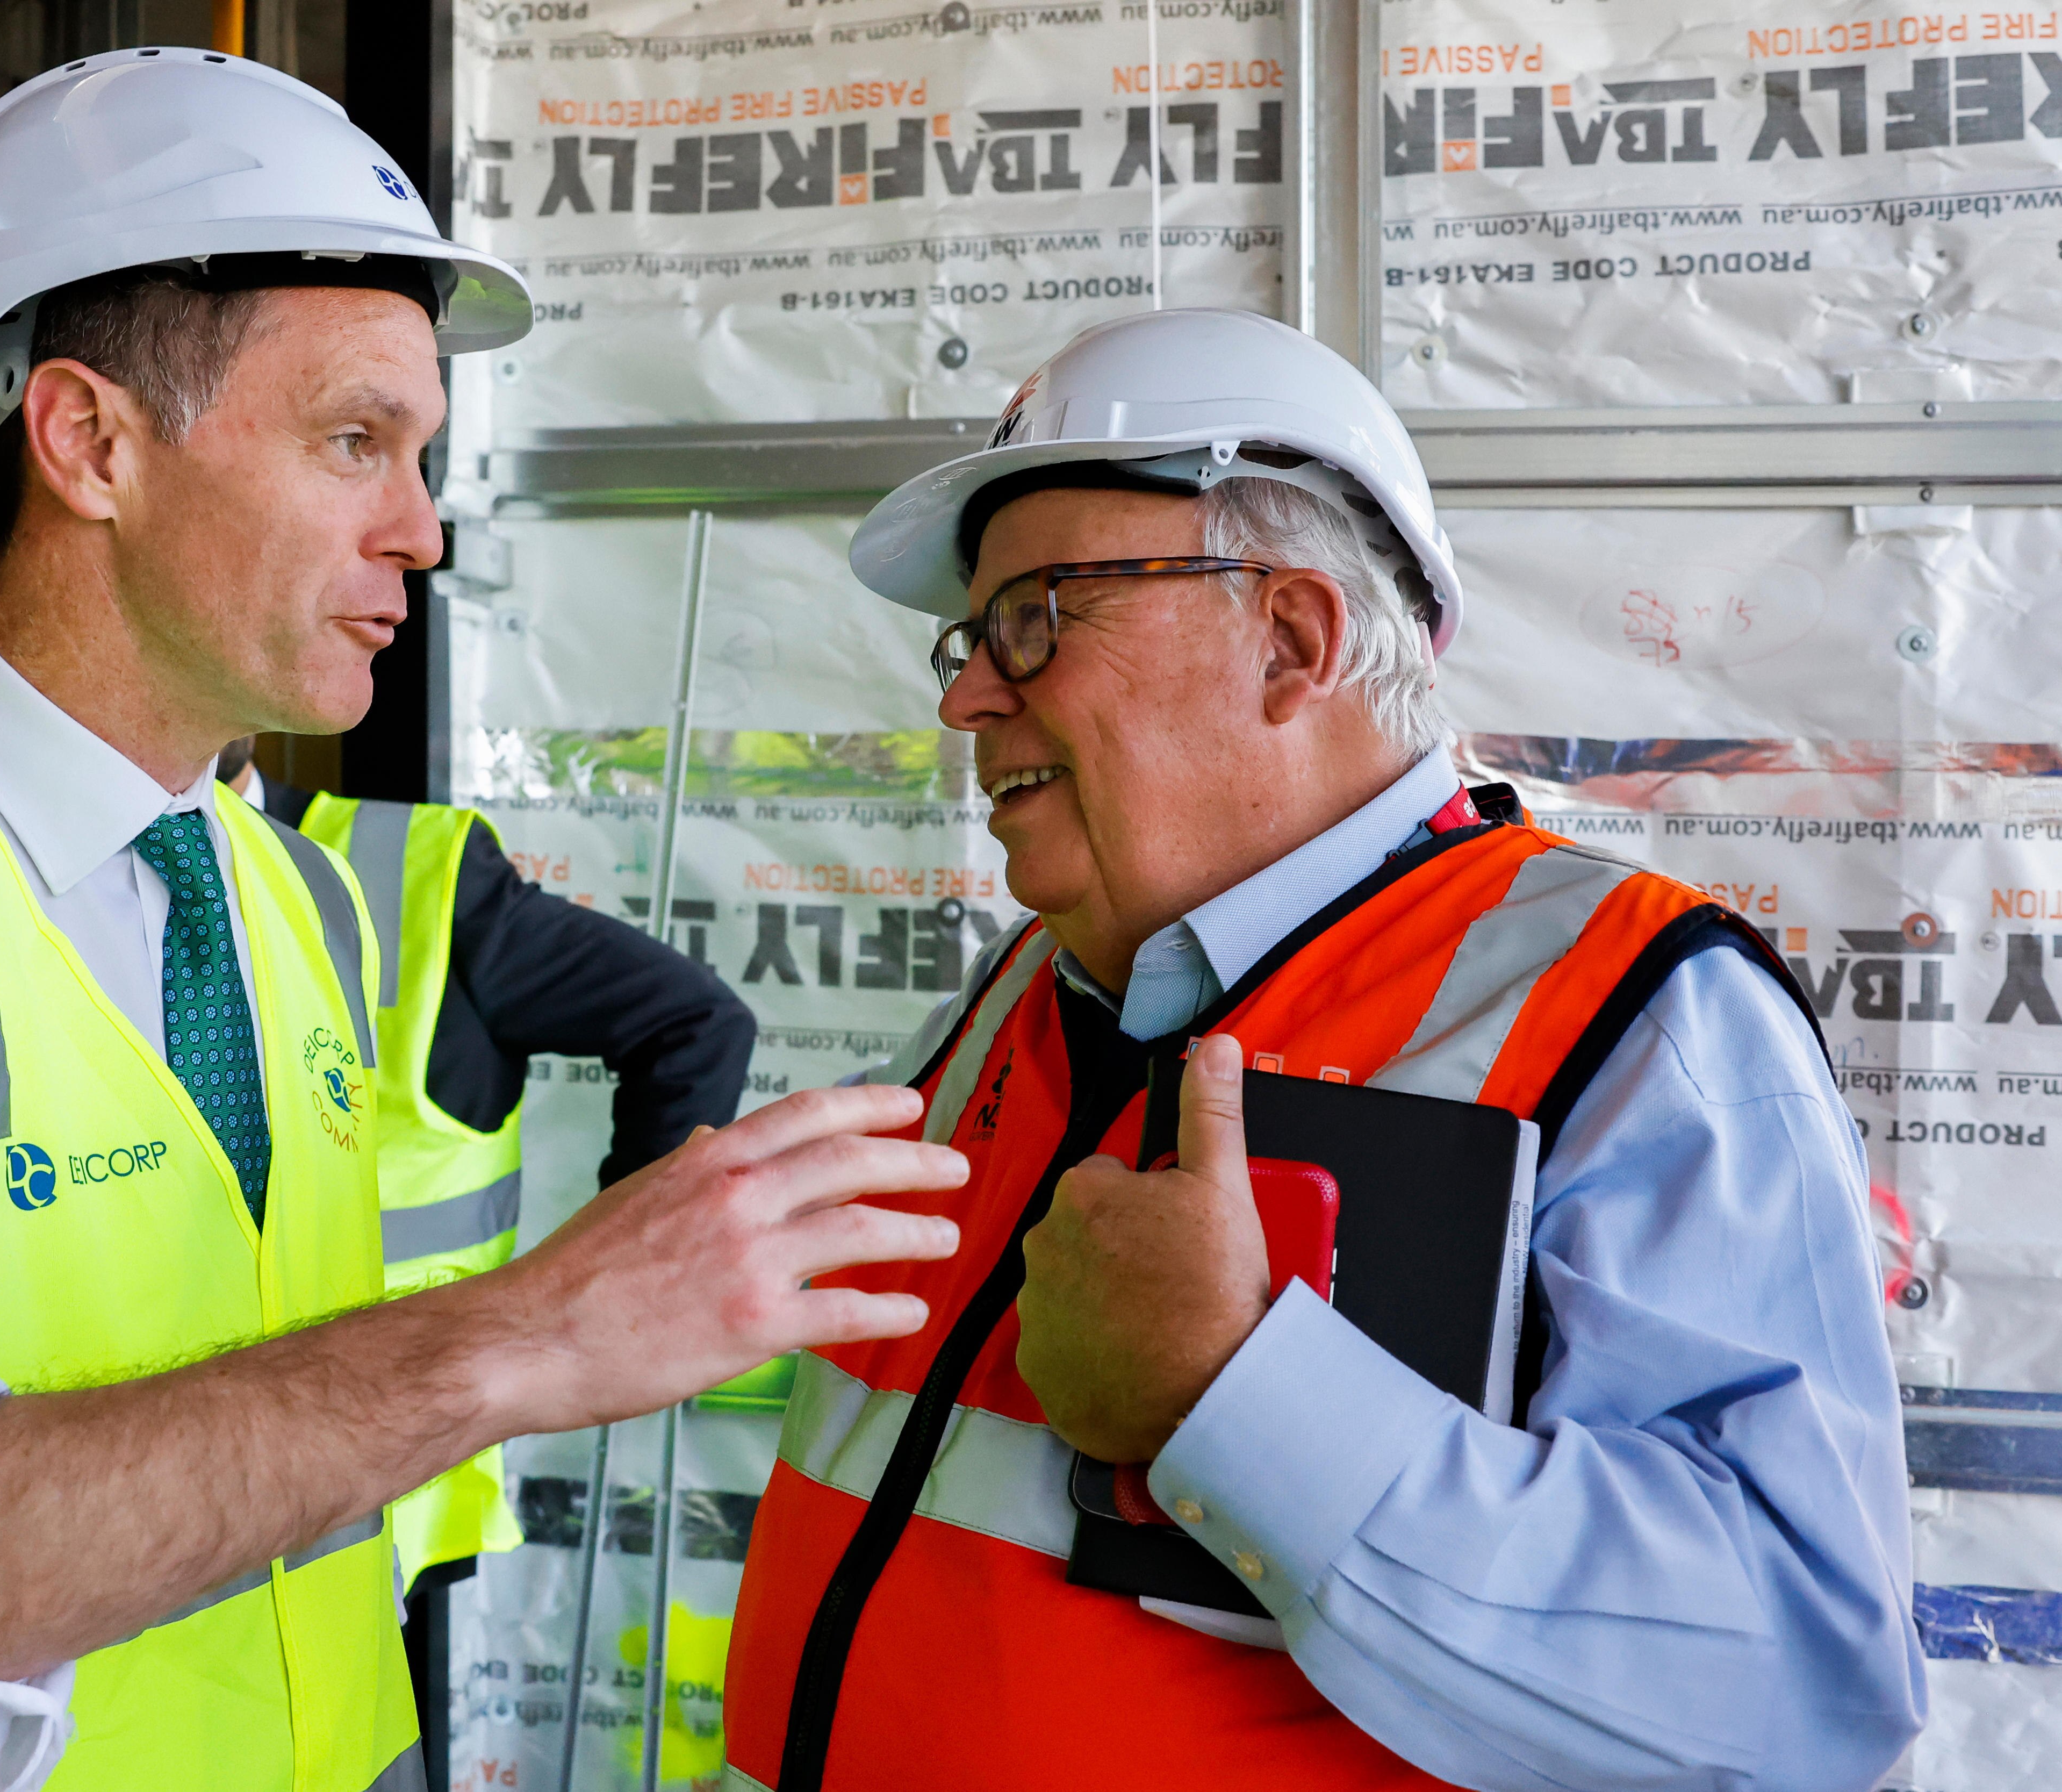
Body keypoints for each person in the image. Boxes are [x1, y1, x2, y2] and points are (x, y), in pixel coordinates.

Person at [0, 49, 966, 1792]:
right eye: (356, 442)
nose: (422, 529)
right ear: (91, 441)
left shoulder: (283, 894)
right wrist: (525, 1338)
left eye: (422, 456)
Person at [723, 308, 1924, 1791]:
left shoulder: (1636, 1013)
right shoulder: (1022, 987)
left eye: (1039, 615)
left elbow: (1795, 1686)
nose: (970, 693)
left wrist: (1231, 1390)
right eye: (973, 638)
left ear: (1293, 641)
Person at [217, 739, 756, 1592]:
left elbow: (694, 1024)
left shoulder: (413, 871)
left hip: (387, 1455)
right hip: (169, 1439)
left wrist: (620, 1290)